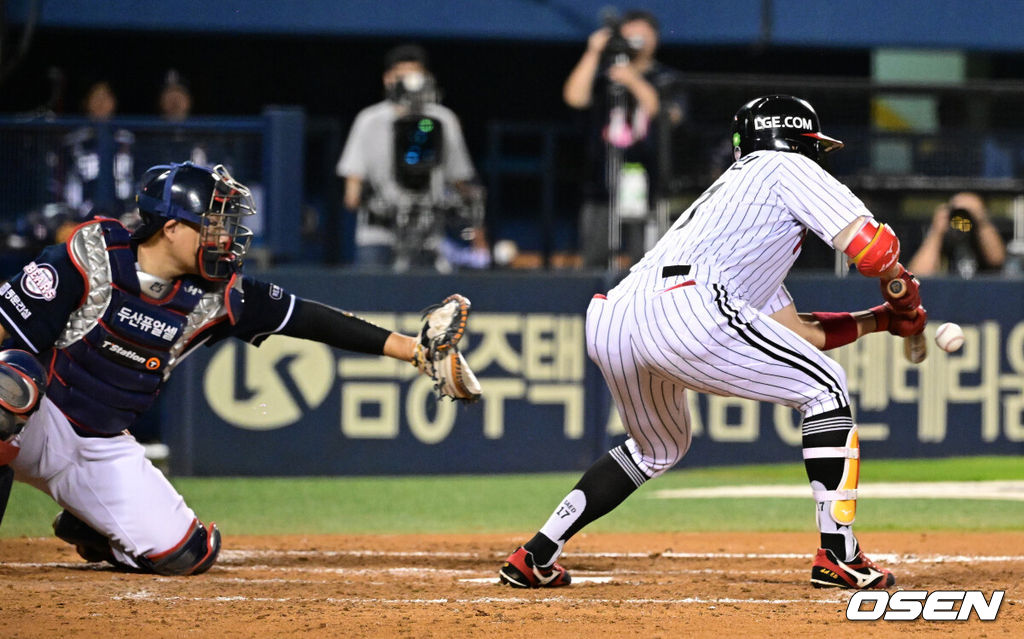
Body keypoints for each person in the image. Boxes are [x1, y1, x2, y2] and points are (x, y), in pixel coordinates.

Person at [498, 95, 927, 591]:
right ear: (797, 140)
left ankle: (537, 553)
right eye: (816, 145)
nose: (820, 155)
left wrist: (880, 320)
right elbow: (873, 251)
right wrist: (901, 282)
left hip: (617, 315)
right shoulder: (784, 164)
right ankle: (839, 555)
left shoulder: (741, 216)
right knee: (826, 389)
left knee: (658, 446)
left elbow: (800, 334)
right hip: (688, 305)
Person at [0, 161, 481, 572]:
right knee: (10, 386)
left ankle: (90, 523)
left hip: (100, 443)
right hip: (38, 420)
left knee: (187, 555)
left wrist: (413, 352)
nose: (224, 236)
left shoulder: (218, 295)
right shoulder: (94, 255)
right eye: (211, 223)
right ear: (171, 228)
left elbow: (311, 320)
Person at [336, 43, 487, 271]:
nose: (408, 84)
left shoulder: (442, 121)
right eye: (401, 76)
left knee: (434, 304)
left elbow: (462, 183)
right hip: (378, 236)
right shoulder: (369, 120)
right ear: (388, 79)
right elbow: (352, 193)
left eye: (415, 76)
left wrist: (477, 234)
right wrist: (374, 203)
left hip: (430, 235)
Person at [563, 9, 688, 268]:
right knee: (594, 260)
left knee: (650, 262)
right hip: (602, 185)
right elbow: (575, 97)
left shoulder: (668, 79)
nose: (637, 40)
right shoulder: (606, 78)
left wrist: (633, 80)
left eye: (644, 33)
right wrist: (594, 52)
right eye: (631, 33)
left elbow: (665, 115)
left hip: (651, 185)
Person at [907, 191, 1007, 278]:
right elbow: (917, 276)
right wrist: (936, 233)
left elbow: (997, 260)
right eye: (958, 214)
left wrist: (980, 220)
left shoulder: (984, 233)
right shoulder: (942, 236)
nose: (962, 220)